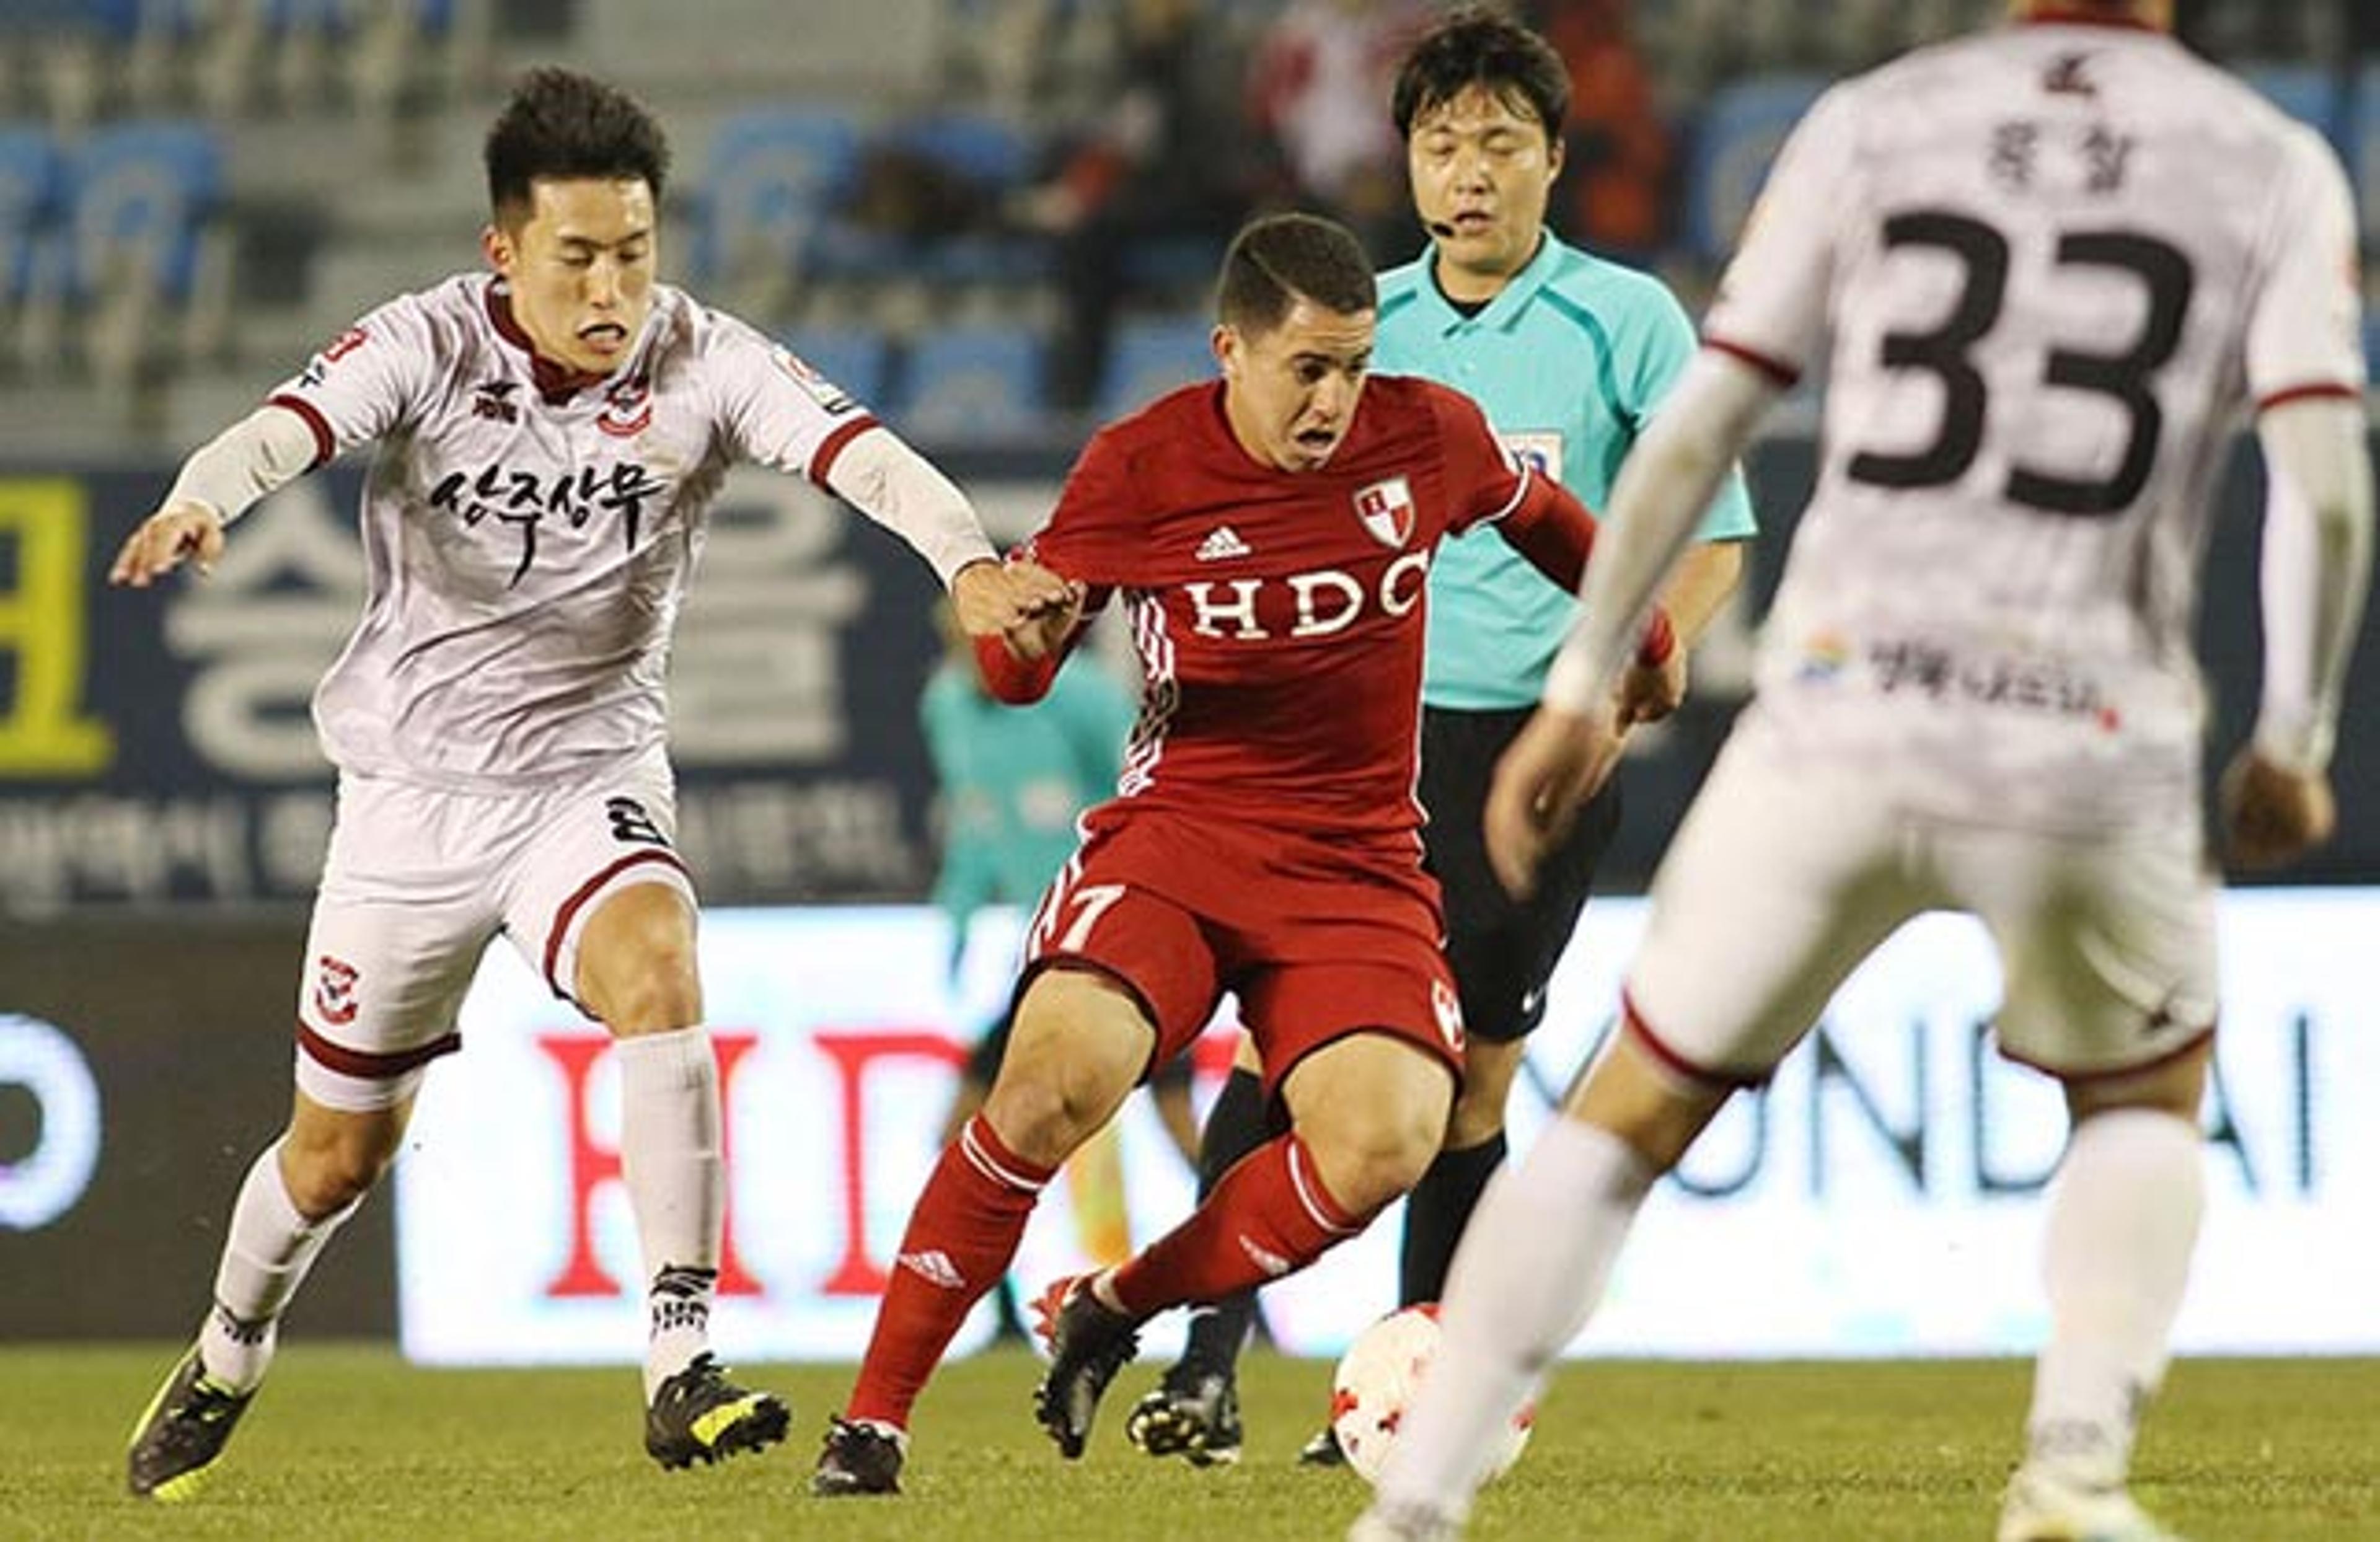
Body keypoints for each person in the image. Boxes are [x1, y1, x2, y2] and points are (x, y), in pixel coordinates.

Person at [1351, 2, 2372, 1539]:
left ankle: (1414, 1505)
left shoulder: (1874, 118)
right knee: (2144, 1095)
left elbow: (1705, 423)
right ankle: (2075, 1463)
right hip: (2085, 723)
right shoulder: (2268, 162)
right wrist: (2293, 732)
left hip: (1840, 705)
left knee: (1622, 1115)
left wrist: (1582, 682)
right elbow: (2322, 479)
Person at [110, 66, 1069, 1503]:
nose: (611, 285)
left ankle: (679, 1362)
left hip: (587, 778)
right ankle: (231, 1345)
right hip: (410, 801)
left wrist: (966, 557)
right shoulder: (428, 343)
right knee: (332, 1157)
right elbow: (285, 424)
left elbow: (861, 453)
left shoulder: (701, 357)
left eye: (634, 248)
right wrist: (203, 498)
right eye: (577, 255)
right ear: (506, 252)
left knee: (661, 964)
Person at [808, 209, 1687, 1499]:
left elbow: (1547, 514)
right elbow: (1010, 669)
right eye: (1308, 369)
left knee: (1390, 1135)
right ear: (1230, 349)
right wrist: (1024, 630)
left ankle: (1115, 1302)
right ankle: (874, 1419)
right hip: (1181, 837)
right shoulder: (1142, 465)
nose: (1337, 397)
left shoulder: (1425, 431)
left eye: (1355, 362)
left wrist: (1645, 634)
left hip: (1357, 860)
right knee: (1057, 1078)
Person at [1132, 8, 1753, 1470]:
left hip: (1533, 754)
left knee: (1469, 1071)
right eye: (1436, 144)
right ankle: (1205, 1367)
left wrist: (1622, 677)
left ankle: (1418, 1389)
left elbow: (1711, 536)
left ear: (1552, 158)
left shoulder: (1626, 320)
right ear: (1404, 164)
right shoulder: (1361, 326)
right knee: (1286, 1047)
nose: (1465, 173)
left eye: (1495, 144)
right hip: (1356, 740)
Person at [919, 604, 1200, 1338]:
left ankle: (1237, 1306)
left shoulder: (1082, 697)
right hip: (1046, 964)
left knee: (1188, 1136)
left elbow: (1145, 794)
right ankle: (1004, 1313)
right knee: (963, 1132)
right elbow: (975, 825)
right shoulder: (946, 706)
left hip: (1130, 944)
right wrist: (956, 916)